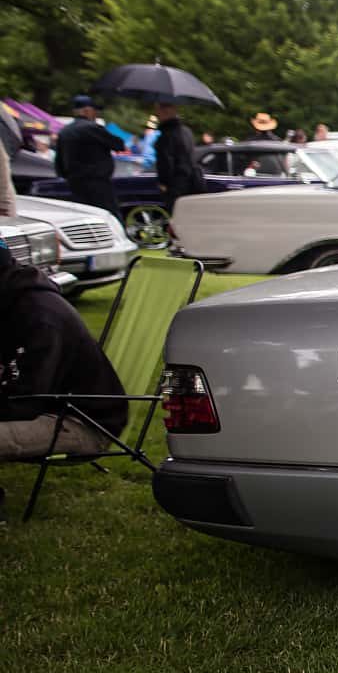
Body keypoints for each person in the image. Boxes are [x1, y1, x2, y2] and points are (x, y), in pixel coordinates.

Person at [0, 245, 128, 516]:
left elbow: (26, 402)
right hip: (40, 407)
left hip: (79, 422)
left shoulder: (41, 318)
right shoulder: (8, 300)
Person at [52, 95, 121, 215]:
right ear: (87, 111)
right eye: (95, 111)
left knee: (84, 217)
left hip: (74, 184)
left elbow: (59, 162)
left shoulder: (64, 132)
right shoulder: (93, 128)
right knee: (108, 216)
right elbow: (118, 145)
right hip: (98, 184)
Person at [152, 101, 204, 206]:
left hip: (175, 186)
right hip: (193, 182)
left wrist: (163, 184)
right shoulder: (187, 132)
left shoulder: (166, 137)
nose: (157, 115)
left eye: (158, 112)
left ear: (164, 112)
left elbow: (165, 163)